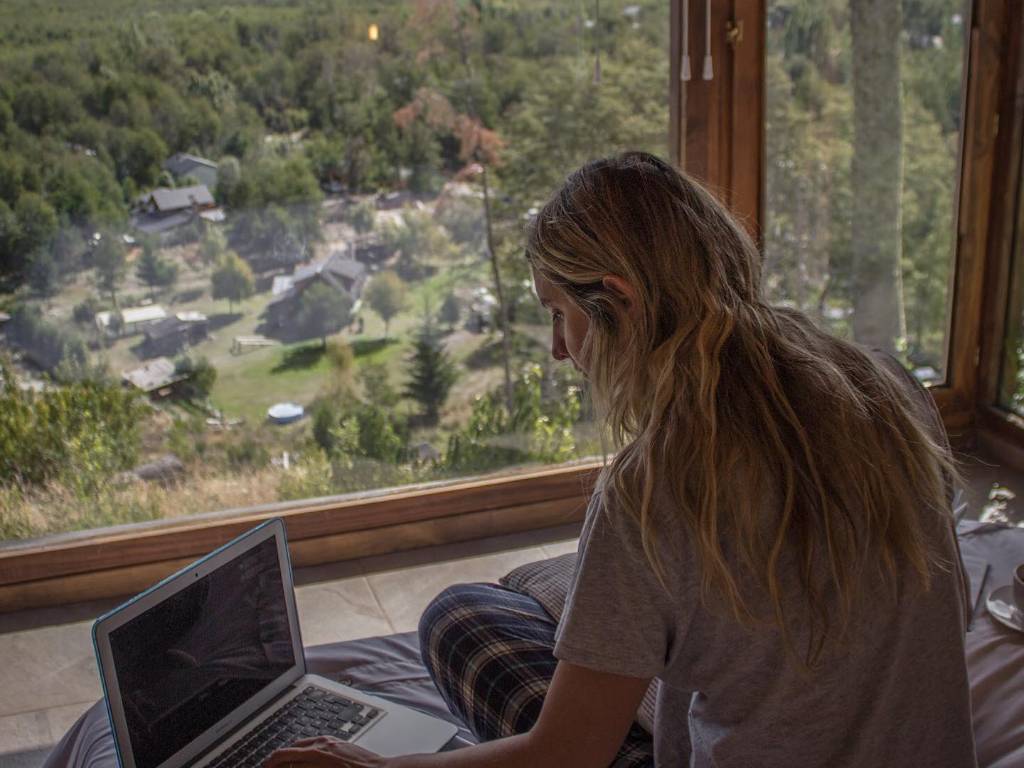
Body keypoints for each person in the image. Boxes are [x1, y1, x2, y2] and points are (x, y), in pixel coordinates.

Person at [266, 152, 977, 767]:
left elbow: (562, 756)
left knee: (459, 622)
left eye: (559, 314)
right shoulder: (886, 383)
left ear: (619, 300)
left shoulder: (656, 488)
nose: (558, 349)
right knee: (506, 602)